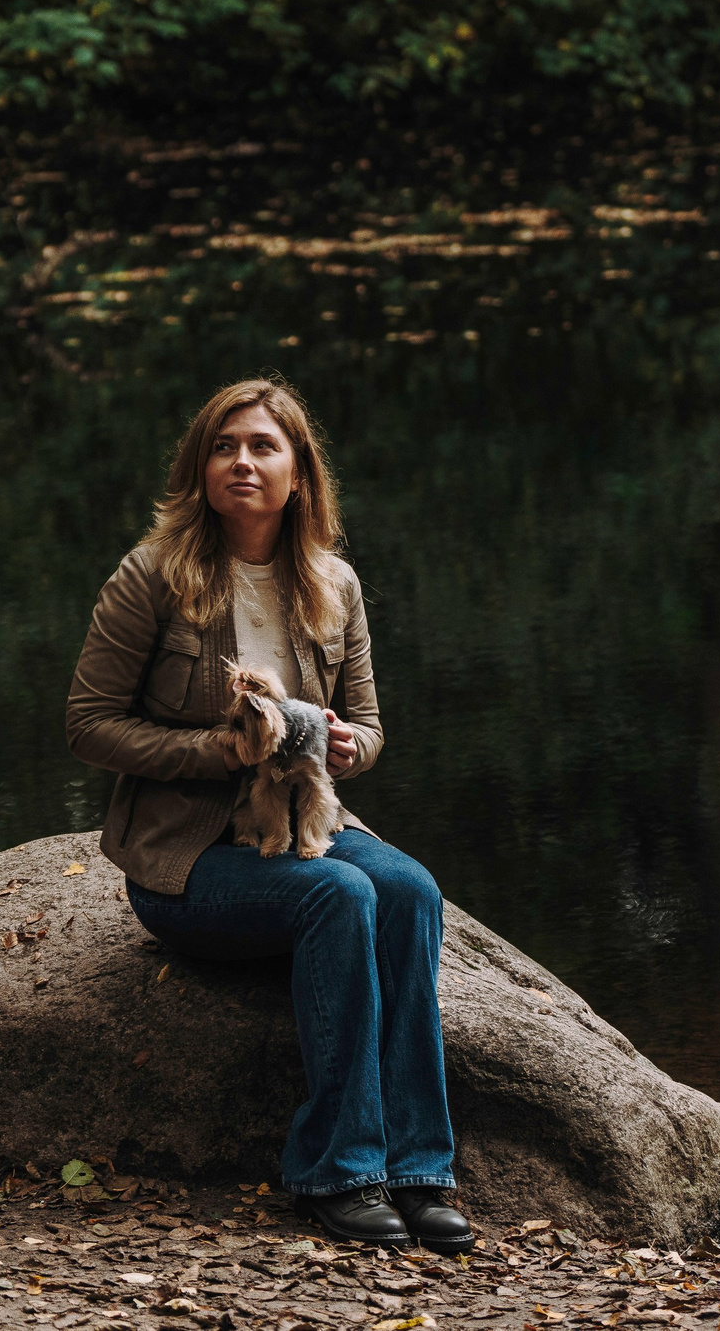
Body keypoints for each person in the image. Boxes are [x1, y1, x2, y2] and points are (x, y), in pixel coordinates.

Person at [65, 379, 471, 1256]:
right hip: (186, 859)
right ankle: (340, 1170)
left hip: (307, 823)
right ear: (199, 468)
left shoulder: (334, 584)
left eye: (262, 446)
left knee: (410, 891)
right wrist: (219, 751)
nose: (241, 462)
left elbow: (368, 725)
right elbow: (88, 725)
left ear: (299, 474)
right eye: (224, 446)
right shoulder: (150, 577)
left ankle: (420, 1168)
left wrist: (350, 747)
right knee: (337, 897)